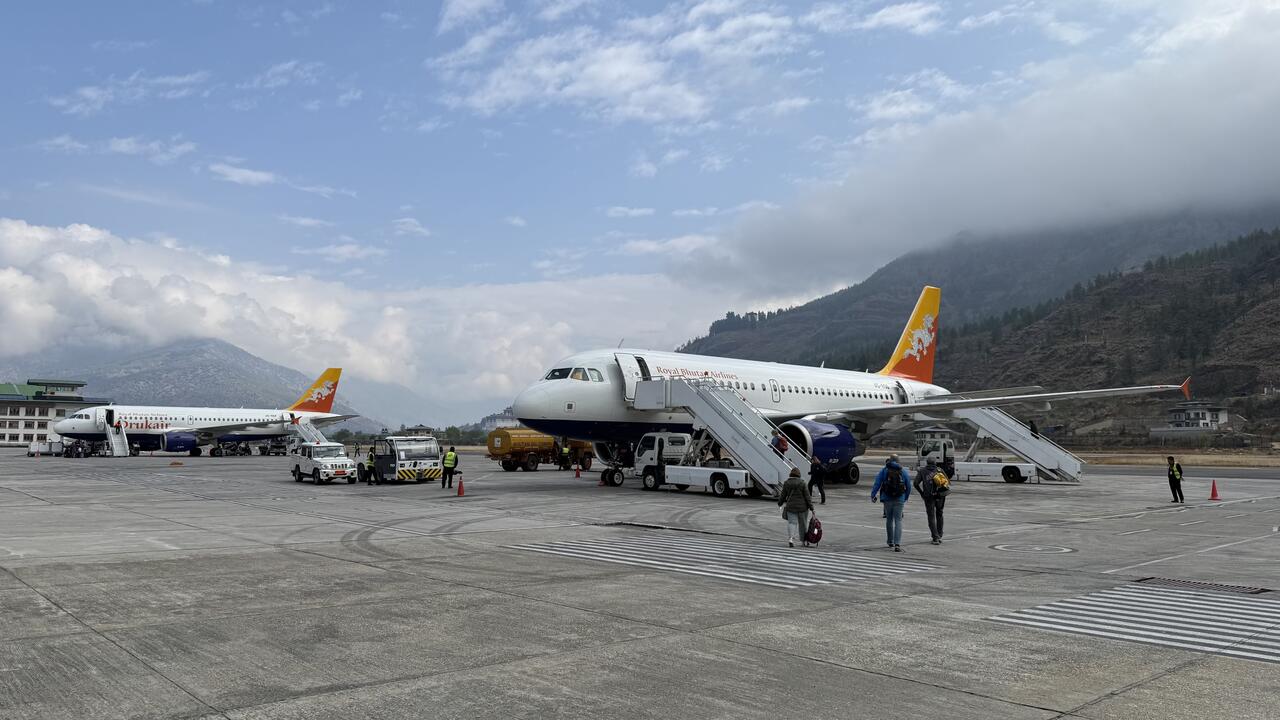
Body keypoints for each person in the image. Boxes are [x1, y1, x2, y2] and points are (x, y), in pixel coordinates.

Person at [871, 454, 911, 552]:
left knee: (889, 520)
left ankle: (890, 541)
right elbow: (908, 486)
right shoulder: (902, 471)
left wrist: (873, 495)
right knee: (898, 520)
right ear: (898, 461)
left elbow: (877, 483)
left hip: (887, 498)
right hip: (899, 498)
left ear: (889, 460)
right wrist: (905, 497)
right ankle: (897, 544)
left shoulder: (884, 470)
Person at [913, 457, 948, 544]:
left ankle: (935, 537)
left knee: (931, 516)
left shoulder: (923, 471)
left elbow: (915, 483)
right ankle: (939, 534)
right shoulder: (939, 470)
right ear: (935, 463)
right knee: (939, 514)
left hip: (928, 496)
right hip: (940, 496)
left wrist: (922, 493)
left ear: (927, 463)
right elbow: (947, 482)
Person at [777, 468, 815, 547]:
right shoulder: (803, 483)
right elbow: (807, 497)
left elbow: (783, 495)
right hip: (803, 507)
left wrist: (780, 503)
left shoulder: (787, 483)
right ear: (799, 474)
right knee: (803, 524)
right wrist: (811, 508)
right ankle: (803, 541)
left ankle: (791, 539)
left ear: (791, 474)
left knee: (792, 523)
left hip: (791, 506)